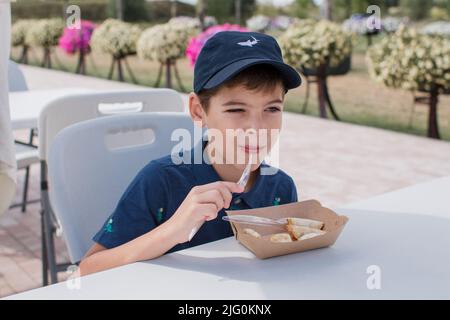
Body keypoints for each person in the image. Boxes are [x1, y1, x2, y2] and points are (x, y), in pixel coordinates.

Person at [79, 31, 302, 275]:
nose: (257, 128)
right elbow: (87, 270)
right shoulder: (161, 181)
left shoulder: (281, 189)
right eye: (237, 109)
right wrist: (173, 229)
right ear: (198, 111)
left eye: (272, 108)